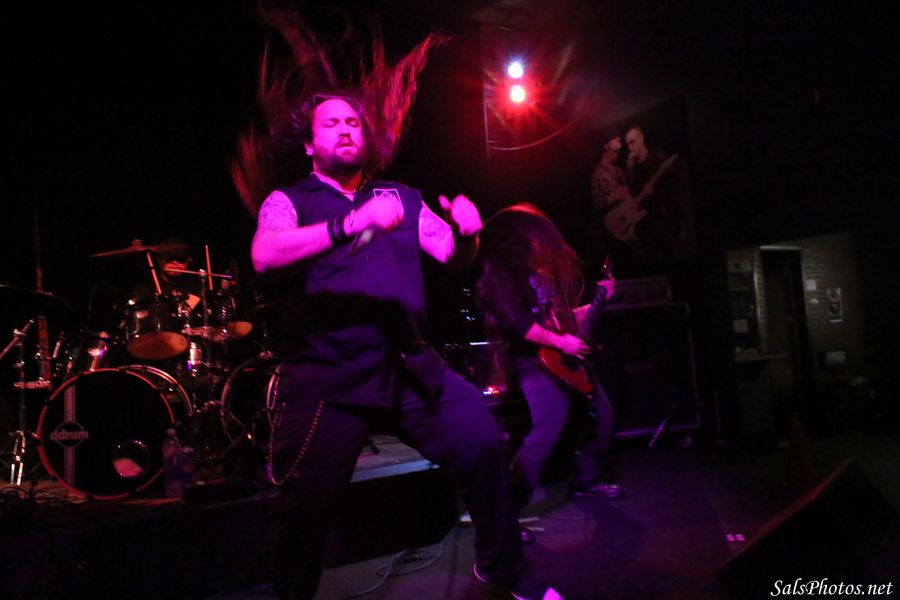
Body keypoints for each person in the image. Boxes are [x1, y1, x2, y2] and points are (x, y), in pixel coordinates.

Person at [233, 9, 563, 599]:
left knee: (484, 443)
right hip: (327, 375)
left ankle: (503, 566)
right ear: (310, 144)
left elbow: (449, 254)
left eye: (353, 122)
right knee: (305, 506)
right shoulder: (289, 200)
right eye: (331, 123)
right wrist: (349, 224)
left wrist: (468, 234)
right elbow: (264, 253)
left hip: (409, 369)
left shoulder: (402, 197)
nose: (345, 129)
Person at [475, 205, 622, 535]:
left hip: (560, 354)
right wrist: (562, 343)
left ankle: (586, 480)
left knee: (602, 415)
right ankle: (505, 511)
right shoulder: (502, 272)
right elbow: (518, 323)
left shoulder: (540, 270)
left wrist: (599, 300)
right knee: (547, 428)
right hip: (532, 360)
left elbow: (560, 317)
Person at [621, 125, 693, 261]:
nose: (630, 147)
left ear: (642, 139)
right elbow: (631, 193)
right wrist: (629, 170)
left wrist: (657, 190)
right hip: (645, 221)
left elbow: (674, 186)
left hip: (664, 218)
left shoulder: (658, 157)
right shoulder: (631, 165)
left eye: (633, 142)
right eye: (627, 144)